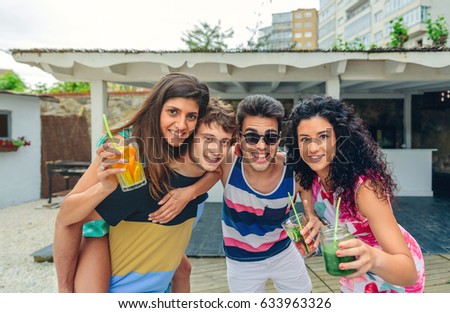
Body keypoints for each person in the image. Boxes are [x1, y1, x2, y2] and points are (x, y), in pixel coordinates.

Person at [53, 72, 217, 292]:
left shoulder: (186, 143)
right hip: (100, 229)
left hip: (141, 230)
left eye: (191, 116)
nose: (181, 125)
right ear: (156, 108)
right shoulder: (121, 143)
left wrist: (191, 192)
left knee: (183, 270)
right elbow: (68, 213)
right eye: (172, 112)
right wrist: (104, 187)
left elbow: (219, 167)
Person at [151, 94, 322, 292]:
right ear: (239, 138)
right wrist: (189, 193)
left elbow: (310, 204)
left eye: (270, 137)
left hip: (283, 252)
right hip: (241, 262)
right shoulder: (227, 161)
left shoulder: (294, 173)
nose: (261, 146)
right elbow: (211, 171)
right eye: (251, 137)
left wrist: (313, 219)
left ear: (279, 139)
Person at [287, 95, 426, 293]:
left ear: (340, 138)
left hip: (392, 273)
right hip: (353, 271)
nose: (313, 148)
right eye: (305, 139)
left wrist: (373, 257)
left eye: (323, 137)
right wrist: (312, 218)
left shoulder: (365, 189)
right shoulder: (309, 177)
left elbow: (408, 272)